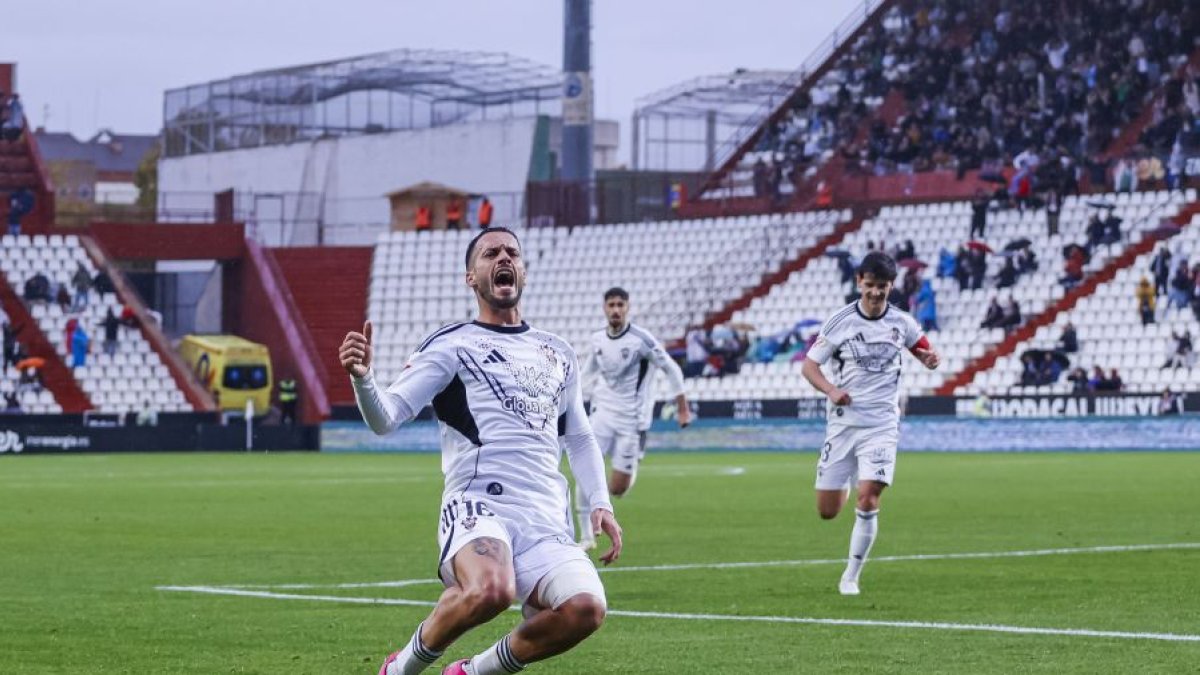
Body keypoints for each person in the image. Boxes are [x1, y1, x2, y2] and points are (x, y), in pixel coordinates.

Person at [339, 227, 622, 675]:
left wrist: (601, 504)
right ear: (472, 277)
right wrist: (362, 378)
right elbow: (386, 418)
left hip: (544, 516)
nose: (503, 258)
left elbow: (580, 436)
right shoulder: (452, 345)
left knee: (586, 609)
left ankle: (473, 672)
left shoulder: (557, 352)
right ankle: (400, 669)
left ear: (523, 271)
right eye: (491, 253)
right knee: (491, 590)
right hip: (479, 502)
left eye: (512, 252)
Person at [801, 251, 940, 596]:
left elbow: (924, 349)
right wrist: (831, 390)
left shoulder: (902, 322)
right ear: (859, 282)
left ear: (891, 286)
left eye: (883, 286)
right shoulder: (840, 321)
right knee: (827, 511)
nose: (876, 292)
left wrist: (930, 358)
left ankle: (851, 576)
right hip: (844, 425)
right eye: (870, 285)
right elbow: (809, 367)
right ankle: (849, 476)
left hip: (881, 425)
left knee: (869, 498)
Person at [576, 287, 691, 550]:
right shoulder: (597, 340)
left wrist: (682, 407)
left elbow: (671, 369)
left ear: (627, 308)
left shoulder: (642, 340)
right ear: (604, 308)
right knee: (585, 468)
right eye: (611, 305)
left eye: (620, 305)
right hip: (603, 413)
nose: (615, 310)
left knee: (618, 489)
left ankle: (602, 497)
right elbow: (587, 374)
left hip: (632, 422)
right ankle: (586, 536)